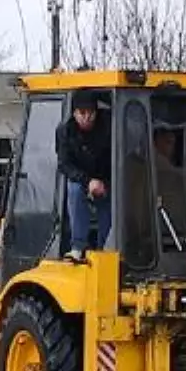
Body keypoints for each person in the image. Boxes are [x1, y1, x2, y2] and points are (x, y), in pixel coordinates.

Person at [56, 89, 111, 261]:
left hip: (107, 176)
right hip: (81, 177)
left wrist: (105, 182)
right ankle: (77, 246)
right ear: (74, 113)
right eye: (82, 113)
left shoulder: (109, 126)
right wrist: (88, 182)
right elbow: (64, 164)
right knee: (73, 189)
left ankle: (105, 248)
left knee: (111, 199)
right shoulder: (65, 131)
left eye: (91, 113)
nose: (87, 117)